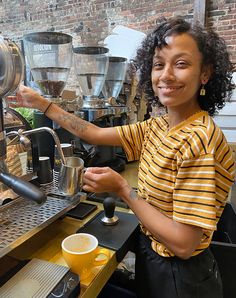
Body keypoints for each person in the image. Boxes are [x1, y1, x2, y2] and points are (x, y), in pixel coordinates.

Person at [12, 17, 235, 298]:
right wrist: (42, 103)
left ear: (205, 73)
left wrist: (123, 191)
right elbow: (93, 133)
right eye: (158, 64)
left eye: (181, 64)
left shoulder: (199, 139)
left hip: (182, 277)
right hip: (156, 258)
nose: (165, 75)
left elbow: (184, 243)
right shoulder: (159, 126)